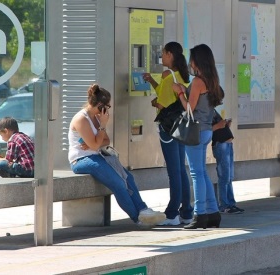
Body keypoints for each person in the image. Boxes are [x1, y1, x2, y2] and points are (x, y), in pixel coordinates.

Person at [68, 84, 166, 227]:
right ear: (100, 105)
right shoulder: (81, 119)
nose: (107, 111)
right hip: (81, 160)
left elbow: (105, 140)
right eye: (107, 107)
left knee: (127, 177)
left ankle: (143, 210)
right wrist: (101, 128)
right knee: (118, 183)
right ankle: (137, 218)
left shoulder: (96, 118)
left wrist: (94, 140)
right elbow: (96, 144)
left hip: (97, 156)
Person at [172, 44, 224, 229]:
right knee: (201, 172)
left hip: (195, 131)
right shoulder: (211, 81)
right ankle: (213, 212)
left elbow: (189, 109)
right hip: (207, 129)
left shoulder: (197, 82)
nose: (190, 62)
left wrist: (179, 92)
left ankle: (199, 214)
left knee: (196, 173)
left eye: (192, 58)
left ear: (197, 61)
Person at [142, 42, 193, 226]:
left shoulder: (167, 75)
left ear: (170, 54)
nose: (161, 57)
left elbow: (162, 103)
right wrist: (152, 82)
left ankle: (172, 214)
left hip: (167, 128)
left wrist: (155, 103)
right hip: (180, 127)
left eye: (163, 53)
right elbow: (168, 95)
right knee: (181, 170)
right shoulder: (182, 75)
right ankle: (186, 212)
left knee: (174, 172)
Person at [212, 103, 244, 214]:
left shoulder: (213, 110)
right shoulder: (204, 112)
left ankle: (230, 203)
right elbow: (206, 130)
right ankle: (224, 205)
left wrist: (226, 125)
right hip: (220, 145)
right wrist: (219, 126)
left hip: (227, 144)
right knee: (224, 176)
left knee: (229, 176)